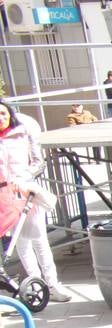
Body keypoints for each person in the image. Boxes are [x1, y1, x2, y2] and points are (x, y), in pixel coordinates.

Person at [0, 101, 72, 301]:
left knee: (39, 240)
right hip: (4, 197)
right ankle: (34, 285)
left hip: (26, 191)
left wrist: (23, 177)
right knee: (20, 243)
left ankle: (53, 284)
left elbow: (38, 162)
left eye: (3, 114)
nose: (1, 118)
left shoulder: (23, 134)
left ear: (10, 115)